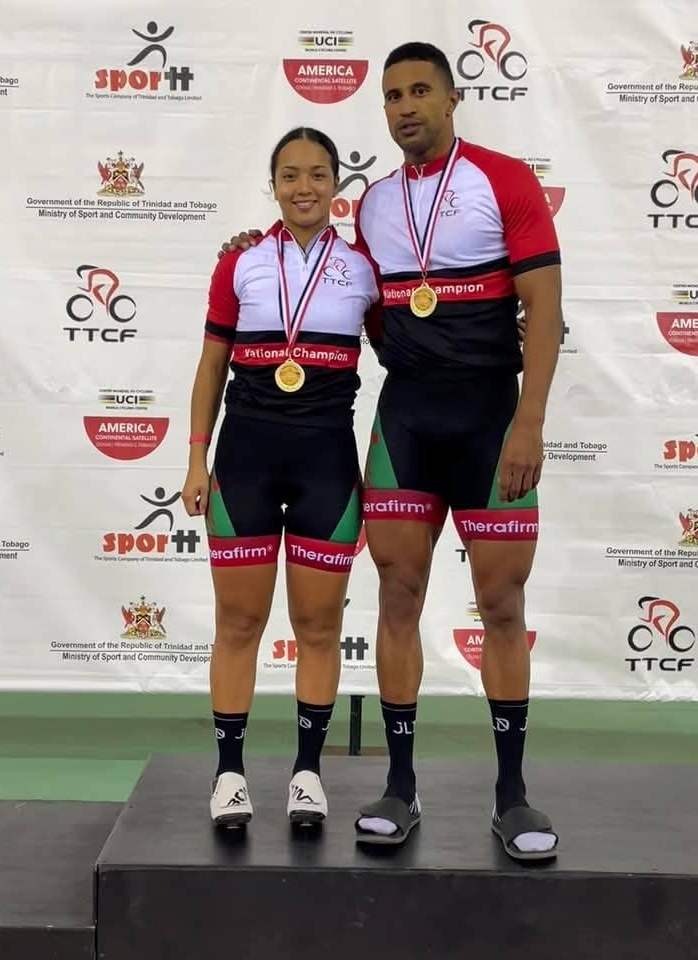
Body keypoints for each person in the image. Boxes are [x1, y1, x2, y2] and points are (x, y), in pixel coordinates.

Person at [217, 42, 562, 862]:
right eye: (392, 95)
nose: (405, 106)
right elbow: (346, 295)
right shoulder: (369, 206)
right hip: (403, 425)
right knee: (398, 594)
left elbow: (544, 309)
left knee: (504, 608)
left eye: (420, 91)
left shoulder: (505, 179)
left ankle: (511, 794)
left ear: (451, 99)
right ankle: (399, 786)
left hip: (490, 424)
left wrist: (530, 422)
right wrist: (250, 249)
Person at [182, 127, 380, 829]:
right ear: (272, 184)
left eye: (318, 175)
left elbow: (414, 351)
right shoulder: (240, 263)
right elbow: (211, 367)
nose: (305, 187)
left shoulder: (363, 269)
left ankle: (306, 775)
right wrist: (195, 457)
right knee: (238, 622)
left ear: (337, 184)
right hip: (244, 464)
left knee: (319, 626)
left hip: (328, 464)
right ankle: (230, 775)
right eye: (291, 175)